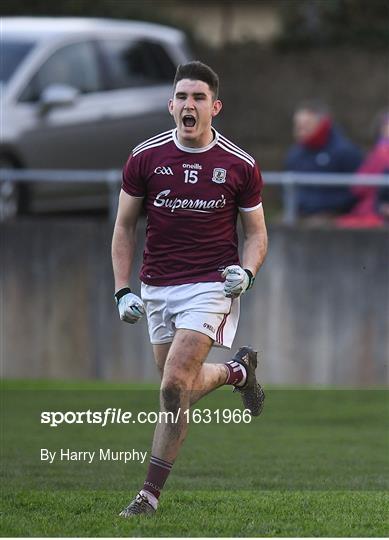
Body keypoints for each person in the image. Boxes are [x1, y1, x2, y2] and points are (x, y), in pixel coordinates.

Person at [111, 61, 268, 517]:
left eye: (198, 98)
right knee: (174, 389)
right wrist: (123, 289)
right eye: (182, 97)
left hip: (211, 286)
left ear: (215, 107)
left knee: (174, 383)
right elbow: (123, 227)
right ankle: (236, 373)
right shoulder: (145, 157)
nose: (189, 105)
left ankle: (148, 496)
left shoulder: (239, 165)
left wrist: (248, 271)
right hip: (157, 286)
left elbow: (257, 233)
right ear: (170, 105)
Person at [285, 100, 363, 219]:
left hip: (336, 215)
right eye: (298, 125)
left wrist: (323, 207)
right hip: (301, 213)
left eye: (307, 125)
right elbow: (287, 189)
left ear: (321, 123)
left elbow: (356, 191)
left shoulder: (346, 152)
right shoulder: (295, 154)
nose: (300, 131)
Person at [336, 110, 389, 228]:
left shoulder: (381, 154)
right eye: (385, 126)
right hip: (368, 209)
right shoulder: (378, 153)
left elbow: (359, 187)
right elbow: (358, 187)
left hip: (374, 211)